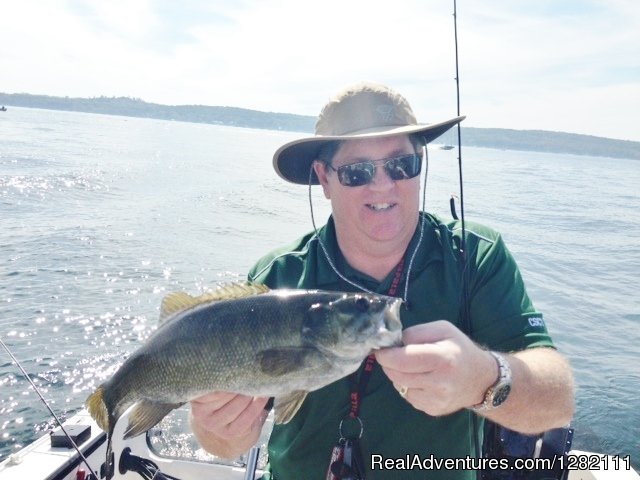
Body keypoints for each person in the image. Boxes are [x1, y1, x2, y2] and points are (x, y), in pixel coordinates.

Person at [190, 82, 575, 479]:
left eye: (400, 165)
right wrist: (217, 428)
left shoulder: (474, 257)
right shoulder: (278, 278)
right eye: (357, 172)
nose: (383, 185)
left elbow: (558, 401)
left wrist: (484, 379)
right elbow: (225, 444)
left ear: (420, 162)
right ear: (324, 178)